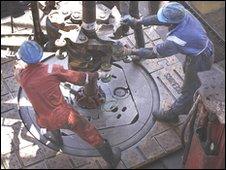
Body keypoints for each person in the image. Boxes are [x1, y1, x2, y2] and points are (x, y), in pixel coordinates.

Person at [14, 40, 121, 168]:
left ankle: (58, 142)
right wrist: (97, 74)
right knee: (90, 133)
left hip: (43, 118)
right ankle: (112, 159)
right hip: (66, 116)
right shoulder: (52, 69)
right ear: (40, 54)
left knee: (52, 125)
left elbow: (21, 73)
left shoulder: (22, 76)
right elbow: (79, 78)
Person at [121, 2, 214, 123]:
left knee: (189, 89)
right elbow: (160, 19)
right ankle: (191, 92)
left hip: (201, 58)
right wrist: (138, 21)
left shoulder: (176, 40)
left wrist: (130, 51)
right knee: (188, 73)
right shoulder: (182, 13)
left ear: (171, 23)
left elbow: (153, 53)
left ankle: (173, 114)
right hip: (199, 48)